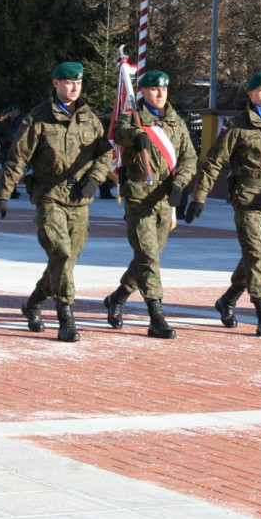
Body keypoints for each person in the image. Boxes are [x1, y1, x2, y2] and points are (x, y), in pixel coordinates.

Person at [0, 62, 113, 342]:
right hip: (49, 195)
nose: (74, 87)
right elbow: (17, 158)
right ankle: (66, 317)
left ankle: (33, 302)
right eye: (69, 83)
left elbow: (105, 153)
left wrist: (95, 177)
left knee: (65, 262)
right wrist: (2, 195)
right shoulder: (38, 117)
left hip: (80, 198)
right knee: (61, 253)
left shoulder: (88, 117)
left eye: (79, 83)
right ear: (56, 83)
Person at [184, 72, 261, 338]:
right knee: (253, 255)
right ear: (250, 94)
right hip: (247, 199)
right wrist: (199, 196)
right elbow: (214, 161)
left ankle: (227, 300)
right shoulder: (237, 125)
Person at [104, 70, 197, 339]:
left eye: (164, 89)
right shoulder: (131, 117)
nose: (160, 94)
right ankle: (156, 316)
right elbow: (118, 132)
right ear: (142, 91)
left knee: (150, 256)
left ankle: (118, 297)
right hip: (139, 197)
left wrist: (181, 185)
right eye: (154, 89)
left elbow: (189, 158)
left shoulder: (176, 121)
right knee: (147, 257)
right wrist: (136, 135)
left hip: (165, 199)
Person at [0, 105, 21, 199]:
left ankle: (14, 189)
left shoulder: (21, 123)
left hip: (17, 150)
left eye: (15, 112)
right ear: (8, 113)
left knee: (15, 170)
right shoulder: (3, 124)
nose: (13, 114)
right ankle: (6, 189)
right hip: (6, 150)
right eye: (11, 112)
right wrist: (3, 142)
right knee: (6, 170)